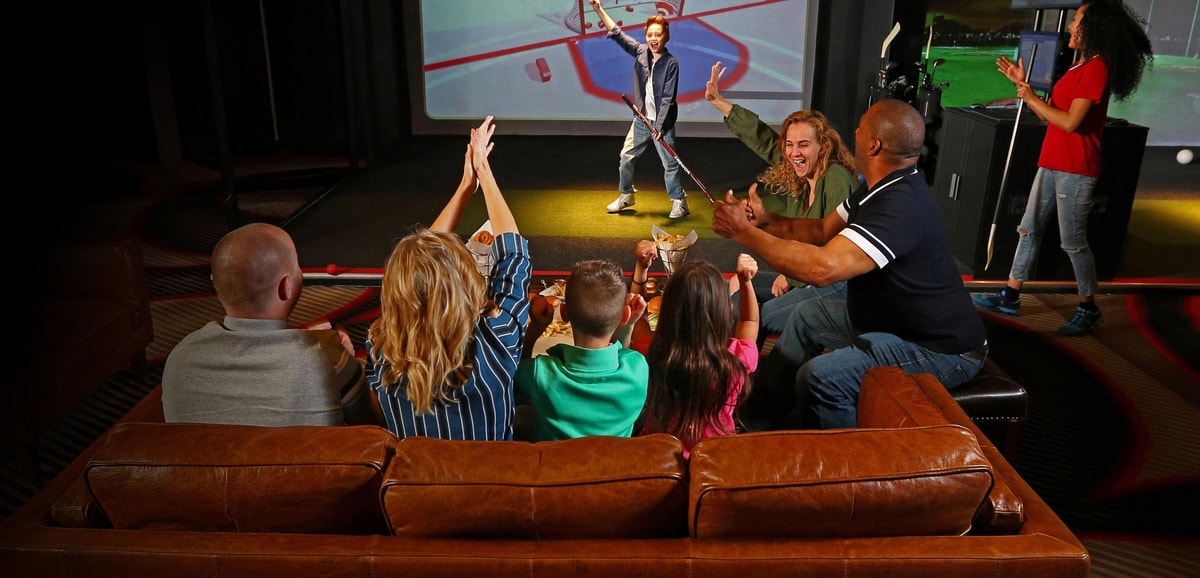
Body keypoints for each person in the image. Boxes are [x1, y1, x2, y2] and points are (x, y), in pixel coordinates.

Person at [711, 99, 988, 431]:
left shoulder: (899, 204)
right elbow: (820, 230)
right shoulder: (876, 189)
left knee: (820, 377)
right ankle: (754, 421)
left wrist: (743, 233)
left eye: (860, 126)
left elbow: (821, 269)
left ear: (873, 145)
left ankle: (850, 467)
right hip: (893, 321)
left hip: (938, 347)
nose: (853, 131)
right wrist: (763, 221)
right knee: (804, 316)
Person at [973, 0, 1153, 336]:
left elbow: (1071, 123)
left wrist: (1030, 97)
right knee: (1028, 229)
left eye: (1077, 21)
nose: (1070, 27)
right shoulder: (1076, 67)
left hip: (1076, 168)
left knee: (1072, 243)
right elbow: (1048, 116)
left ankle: (1089, 308)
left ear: (1095, 27)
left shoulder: (1097, 69)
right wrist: (1023, 86)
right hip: (1052, 161)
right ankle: (1010, 295)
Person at [367, 116, 532, 441]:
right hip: (491, 490)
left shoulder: (382, 352)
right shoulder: (496, 342)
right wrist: (483, 174)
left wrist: (464, 186)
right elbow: (514, 257)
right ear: (466, 291)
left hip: (413, 490)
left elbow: (417, 267)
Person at [162, 223, 380, 427]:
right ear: (286, 286)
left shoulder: (182, 356)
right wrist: (347, 361)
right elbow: (374, 424)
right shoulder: (327, 355)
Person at [705, 61, 857, 336]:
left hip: (831, 281)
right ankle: (746, 362)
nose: (794, 153)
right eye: (789, 144)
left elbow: (831, 243)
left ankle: (746, 368)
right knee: (738, 288)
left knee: (744, 311)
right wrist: (719, 102)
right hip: (803, 273)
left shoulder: (835, 177)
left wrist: (788, 273)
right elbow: (763, 139)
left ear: (823, 146)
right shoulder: (799, 173)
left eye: (803, 145)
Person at [636, 255, 759, 458]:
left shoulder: (650, 352)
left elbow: (638, 315)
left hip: (658, 460)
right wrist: (745, 282)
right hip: (715, 460)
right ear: (722, 311)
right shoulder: (737, 358)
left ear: (668, 310)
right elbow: (749, 321)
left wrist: (641, 269)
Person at [514, 259, 649, 441]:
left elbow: (512, 377)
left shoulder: (540, 374)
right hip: (616, 469)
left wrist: (535, 329)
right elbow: (621, 357)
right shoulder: (638, 369)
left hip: (554, 468)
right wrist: (628, 324)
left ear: (564, 312)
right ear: (624, 316)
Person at [590, 0, 689, 219]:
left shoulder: (671, 63)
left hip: (662, 124)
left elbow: (667, 100)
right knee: (626, 155)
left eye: (658, 35)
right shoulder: (641, 52)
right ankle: (626, 195)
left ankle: (679, 202)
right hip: (642, 121)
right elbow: (617, 33)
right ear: (646, 36)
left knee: (670, 165)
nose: (654, 39)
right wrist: (599, 9)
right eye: (650, 35)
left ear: (666, 37)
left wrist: (660, 127)